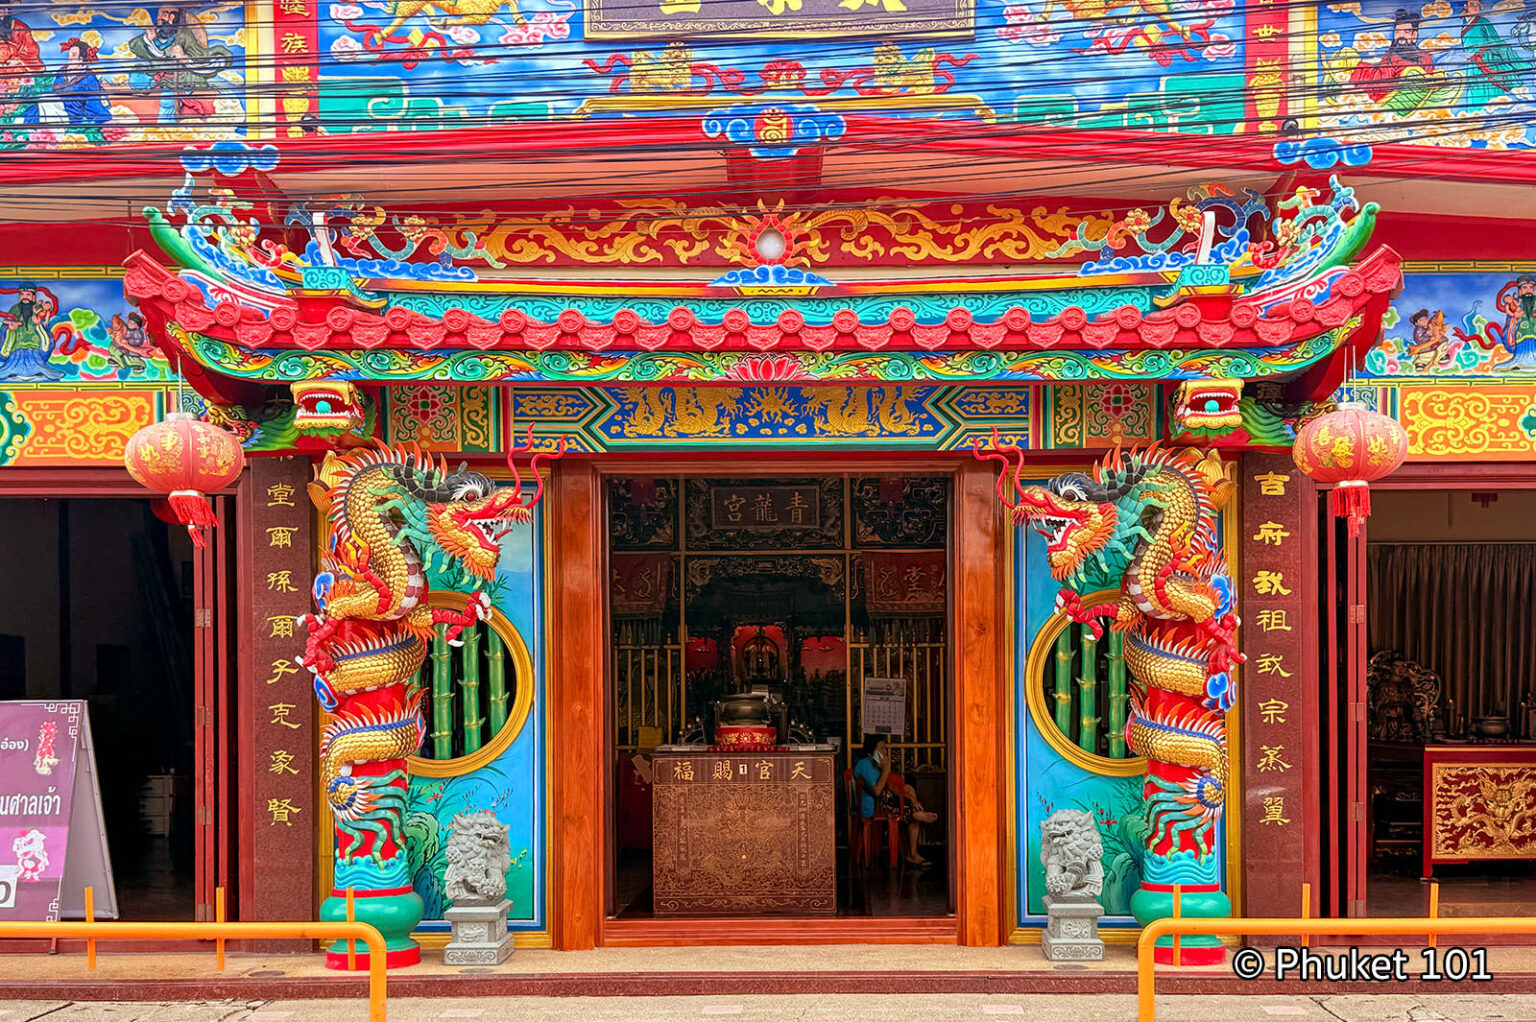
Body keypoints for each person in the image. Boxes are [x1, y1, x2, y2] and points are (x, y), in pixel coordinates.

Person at [852, 735, 939, 868]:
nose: (885, 752)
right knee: (907, 805)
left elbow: (891, 786)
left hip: (882, 803)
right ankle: (915, 816)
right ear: (872, 752)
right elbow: (877, 791)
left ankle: (914, 813)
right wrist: (886, 769)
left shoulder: (875, 765)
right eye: (881, 749)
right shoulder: (865, 764)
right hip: (873, 807)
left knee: (908, 789)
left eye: (885, 748)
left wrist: (912, 799)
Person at [1459, 0, 1530, 108]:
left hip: (1487, 59)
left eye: (1477, 5)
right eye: (1472, 5)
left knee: (1490, 89)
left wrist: (1512, 58)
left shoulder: (1483, 22)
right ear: (1465, 6)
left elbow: (1496, 42)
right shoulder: (1464, 24)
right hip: (1472, 64)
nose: (1475, 7)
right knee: (1475, 90)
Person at [0, 282, 60, 380]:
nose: (25, 297)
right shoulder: (15, 308)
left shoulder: (37, 307)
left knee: (35, 356)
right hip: (18, 341)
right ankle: (13, 371)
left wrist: (39, 321)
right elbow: (6, 321)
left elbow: (44, 319)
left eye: (28, 294)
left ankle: (37, 370)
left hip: (34, 340)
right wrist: (10, 327)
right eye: (22, 294)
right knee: (15, 358)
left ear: (33, 297)